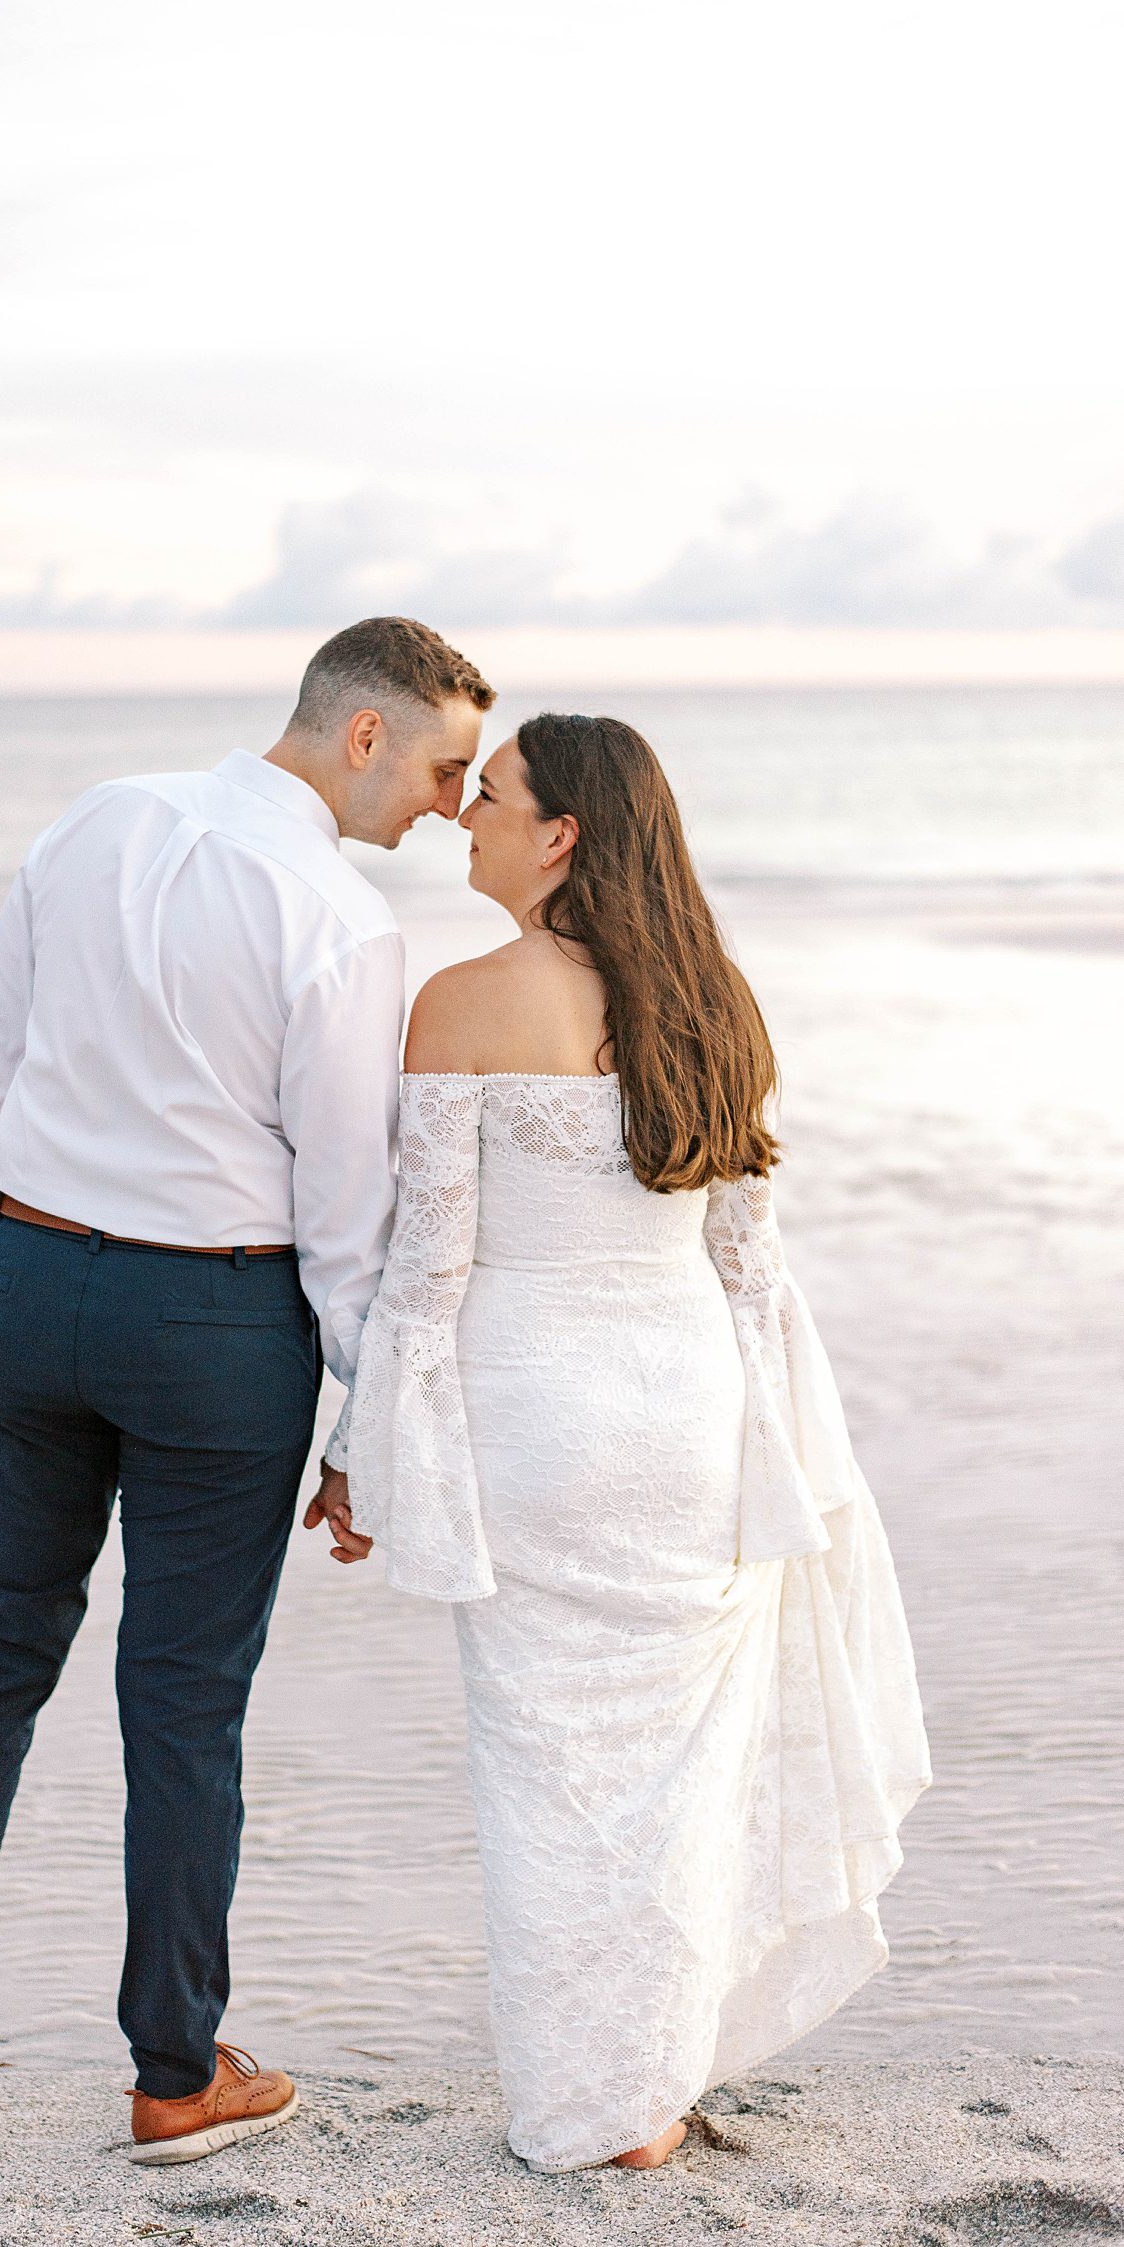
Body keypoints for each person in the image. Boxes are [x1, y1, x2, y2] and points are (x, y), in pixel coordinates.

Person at [0, 617, 492, 2161]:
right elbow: (345, 1213)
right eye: (444, 767)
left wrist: (5, 1264)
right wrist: (362, 1428)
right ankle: (175, 2074)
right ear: (362, 737)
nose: (449, 807)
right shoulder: (337, 918)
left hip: (25, 1281)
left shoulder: (95, 818)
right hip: (214, 1318)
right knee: (182, 1703)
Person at [305, 713, 931, 2173]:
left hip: (541, 1429)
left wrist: (361, 1453)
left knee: (551, 1777)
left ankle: (596, 2110)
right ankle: (647, 2085)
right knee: (677, 1780)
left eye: (497, 796)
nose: (470, 815)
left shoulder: (456, 1003)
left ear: (564, 835)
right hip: (692, 1421)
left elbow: (426, 1277)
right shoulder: (716, 1003)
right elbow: (750, 1268)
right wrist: (790, 1465)